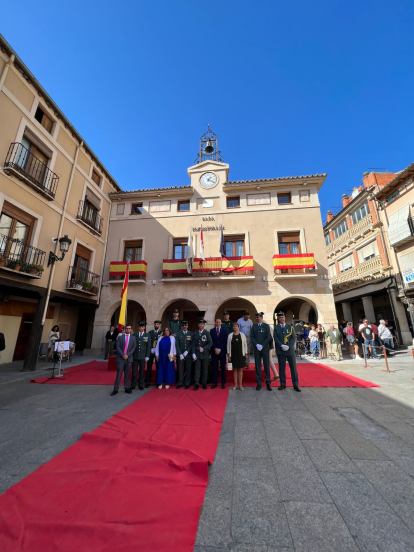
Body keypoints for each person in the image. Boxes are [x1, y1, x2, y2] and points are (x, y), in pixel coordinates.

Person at [274, 312, 300, 392]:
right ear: (278, 319)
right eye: (280, 317)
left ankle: (295, 385)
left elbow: (293, 338)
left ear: (285, 318)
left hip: (289, 350)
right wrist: (281, 345)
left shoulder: (290, 327)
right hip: (280, 350)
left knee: (293, 368)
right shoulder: (276, 328)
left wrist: (288, 345)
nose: (281, 319)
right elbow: (275, 337)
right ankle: (282, 384)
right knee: (281, 368)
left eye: (283, 317)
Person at [111, 324, 136, 396]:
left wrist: (127, 355)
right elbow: (118, 347)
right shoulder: (120, 337)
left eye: (129, 328)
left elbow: (133, 348)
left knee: (127, 374)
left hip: (128, 358)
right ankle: (116, 388)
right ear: (124, 329)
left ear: (131, 329)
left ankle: (126, 387)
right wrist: (123, 355)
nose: (128, 329)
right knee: (119, 374)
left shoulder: (133, 338)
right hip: (120, 358)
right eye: (127, 328)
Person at [251, 312, 272, 391]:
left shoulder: (266, 326)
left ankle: (268, 383)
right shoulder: (254, 326)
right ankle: (259, 383)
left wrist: (262, 345)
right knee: (257, 366)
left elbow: (268, 337)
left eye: (258, 317)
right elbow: (252, 336)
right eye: (256, 317)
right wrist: (257, 345)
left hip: (265, 348)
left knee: (266, 365)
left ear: (261, 317)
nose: (257, 318)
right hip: (257, 349)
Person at [227, 322, 248, 390]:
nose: (235, 327)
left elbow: (245, 344)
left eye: (236, 326)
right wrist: (228, 355)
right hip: (233, 355)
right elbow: (228, 345)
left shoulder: (242, 335)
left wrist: (246, 353)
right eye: (234, 326)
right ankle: (235, 385)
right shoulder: (230, 335)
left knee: (240, 370)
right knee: (235, 369)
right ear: (233, 328)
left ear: (238, 327)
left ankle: (240, 385)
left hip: (241, 354)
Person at [193, 318, 213, 390]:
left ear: (204, 325)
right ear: (198, 325)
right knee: (197, 369)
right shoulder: (195, 333)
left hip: (205, 354)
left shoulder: (207, 333)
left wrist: (204, 348)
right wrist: (193, 353)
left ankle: (204, 383)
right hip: (197, 354)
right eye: (199, 324)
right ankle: (196, 383)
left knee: (205, 369)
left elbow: (210, 343)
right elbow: (193, 344)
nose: (200, 325)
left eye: (202, 324)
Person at [175, 320, 195, 389]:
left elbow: (192, 344)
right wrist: (180, 354)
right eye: (183, 325)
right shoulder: (178, 334)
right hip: (180, 356)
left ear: (187, 326)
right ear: (181, 326)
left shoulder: (191, 334)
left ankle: (187, 383)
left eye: (185, 325)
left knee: (188, 369)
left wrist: (187, 351)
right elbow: (177, 344)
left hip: (188, 355)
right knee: (180, 369)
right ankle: (180, 382)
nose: (184, 327)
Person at [131, 321, 151, 390]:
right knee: (134, 371)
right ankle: (133, 384)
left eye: (142, 327)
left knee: (142, 371)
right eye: (140, 327)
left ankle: (140, 384)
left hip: (143, 356)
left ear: (144, 327)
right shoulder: (134, 335)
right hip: (135, 356)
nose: (141, 328)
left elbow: (148, 346)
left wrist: (147, 355)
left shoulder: (147, 335)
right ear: (138, 327)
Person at [210, 318, 228, 389]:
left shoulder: (224, 331)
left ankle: (223, 383)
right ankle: (214, 382)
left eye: (219, 322)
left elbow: (225, 341)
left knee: (223, 368)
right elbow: (211, 341)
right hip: (214, 352)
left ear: (221, 323)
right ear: (215, 323)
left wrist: (220, 349)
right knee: (214, 368)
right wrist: (215, 348)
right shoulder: (212, 331)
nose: (218, 323)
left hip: (222, 351)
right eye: (217, 322)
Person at [146, 320, 163, 387]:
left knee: (158, 367)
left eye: (157, 324)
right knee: (149, 367)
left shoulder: (162, 333)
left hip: (158, 352)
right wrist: (150, 349)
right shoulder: (150, 332)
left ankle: (158, 381)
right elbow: (148, 342)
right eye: (155, 324)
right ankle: (147, 382)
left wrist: (157, 350)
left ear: (159, 325)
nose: (156, 325)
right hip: (151, 352)